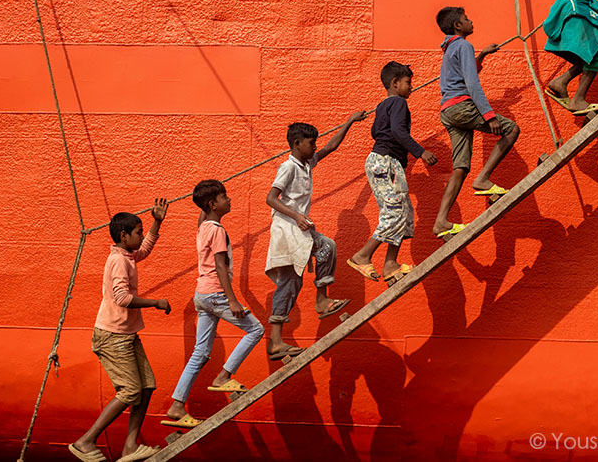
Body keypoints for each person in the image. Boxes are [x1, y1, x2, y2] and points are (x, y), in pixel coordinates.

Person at [70, 200, 171, 462]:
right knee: (130, 391)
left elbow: (145, 249)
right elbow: (122, 298)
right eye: (137, 232)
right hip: (112, 336)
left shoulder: (127, 254)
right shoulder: (118, 260)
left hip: (126, 335)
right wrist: (155, 303)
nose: (141, 236)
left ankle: (130, 447)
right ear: (124, 236)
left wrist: (156, 221)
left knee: (146, 386)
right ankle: (85, 441)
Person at [162, 180, 264, 429]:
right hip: (217, 295)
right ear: (212, 204)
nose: (229, 200)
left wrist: (203, 194)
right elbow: (220, 266)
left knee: (200, 352)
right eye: (223, 197)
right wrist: (232, 299)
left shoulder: (203, 226)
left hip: (202, 295)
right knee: (256, 329)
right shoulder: (217, 230)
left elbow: (203, 214)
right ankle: (224, 376)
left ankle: (177, 405)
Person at [264, 113, 367, 359]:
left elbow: (331, 146)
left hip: (300, 229)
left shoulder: (307, 164)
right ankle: (276, 341)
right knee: (290, 280)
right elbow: (270, 198)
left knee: (326, 247)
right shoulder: (288, 167)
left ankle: (322, 300)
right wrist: (297, 216)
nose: (315, 146)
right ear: (297, 143)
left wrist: (350, 121)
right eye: (311, 142)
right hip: (287, 230)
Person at [432, 7, 519, 239]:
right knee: (511, 129)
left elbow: (461, 74)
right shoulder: (463, 45)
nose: (471, 21)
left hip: (448, 110)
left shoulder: (451, 47)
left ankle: (441, 222)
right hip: (462, 106)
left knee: (460, 168)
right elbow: (471, 84)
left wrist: (481, 57)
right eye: (466, 19)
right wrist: (489, 115)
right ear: (458, 26)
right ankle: (482, 179)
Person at [347, 61, 437, 285]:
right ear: (395, 83)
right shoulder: (398, 103)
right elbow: (397, 131)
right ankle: (363, 256)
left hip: (387, 163)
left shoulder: (383, 106)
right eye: (408, 82)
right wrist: (420, 152)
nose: (412, 87)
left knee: (404, 214)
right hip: (385, 162)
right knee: (394, 213)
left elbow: (376, 131)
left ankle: (390, 264)